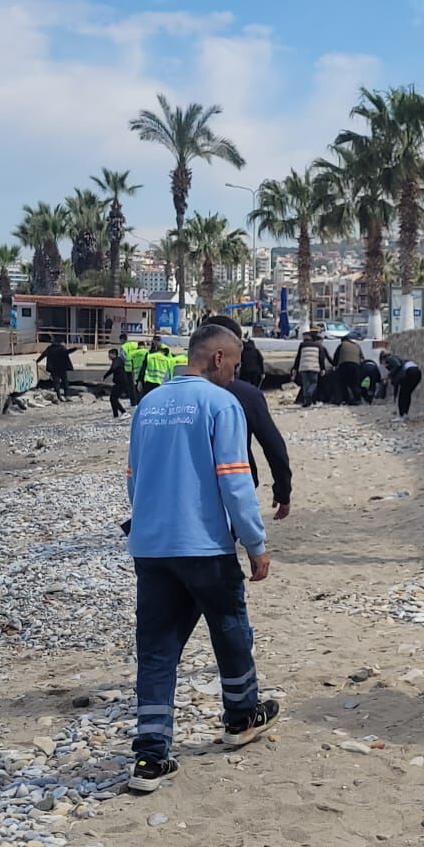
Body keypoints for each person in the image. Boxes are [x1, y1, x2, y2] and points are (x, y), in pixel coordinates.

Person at [123, 324, 279, 792]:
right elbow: (235, 479)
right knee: (230, 629)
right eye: (233, 364)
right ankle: (241, 717)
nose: (236, 372)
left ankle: (150, 755)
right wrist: (255, 543)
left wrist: (148, 524)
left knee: (156, 650)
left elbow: (134, 479)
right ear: (216, 359)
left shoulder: (148, 405)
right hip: (204, 546)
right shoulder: (220, 404)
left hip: (152, 548)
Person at [205, 315, 293, 520]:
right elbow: (274, 447)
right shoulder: (246, 395)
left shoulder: (163, 396)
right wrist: (283, 491)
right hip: (233, 489)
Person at [382, 348, 421, 421]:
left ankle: (401, 415)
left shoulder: (390, 358)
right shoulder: (401, 361)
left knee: (403, 395)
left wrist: (389, 375)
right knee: (407, 394)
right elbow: (397, 384)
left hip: (409, 372)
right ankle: (405, 414)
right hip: (417, 372)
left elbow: (397, 365)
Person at [294, 331, 327, 406]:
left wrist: (295, 368)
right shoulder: (318, 346)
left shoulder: (302, 345)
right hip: (314, 367)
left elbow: (298, 357)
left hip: (303, 367)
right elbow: (321, 358)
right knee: (313, 383)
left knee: (305, 384)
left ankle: (307, 401)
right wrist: (323, 368)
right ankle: (309, 395)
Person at [332, 334, 363, 406]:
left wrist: (334, 365)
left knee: (343, 384)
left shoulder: (342, 345)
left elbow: (336, 356)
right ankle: (357, 400)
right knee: (355, 384)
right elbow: (361, 357)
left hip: (344, 366)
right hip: (355, 366)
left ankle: (346, 400)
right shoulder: (357, 345)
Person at [123, 336, 150, 406]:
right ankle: (146, 403)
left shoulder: (132, 353)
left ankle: (138, 404)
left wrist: (131, 375)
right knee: (146, 390)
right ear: (144, 346)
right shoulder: (147, 352)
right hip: (146, 374)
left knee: (138, 390)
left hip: (136, 374)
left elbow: (129, 366)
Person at [106, 348, 133, 418]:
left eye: (109, 354)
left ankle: (124, 412)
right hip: (119, 382)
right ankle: (115, 415)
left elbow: (113, 368)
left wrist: (105, 376)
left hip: (121, 383)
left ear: (113, 354)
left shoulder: (117, 360)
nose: (108, 356)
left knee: (113, 398)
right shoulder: (117, 360)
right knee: (112, 398)